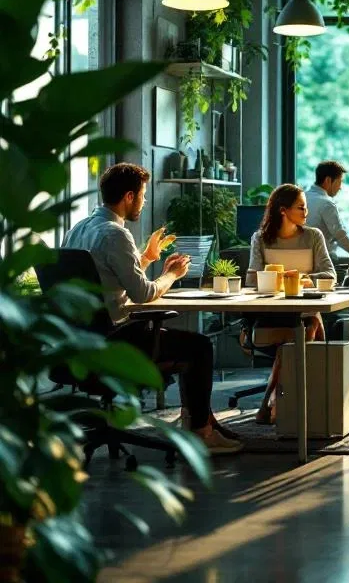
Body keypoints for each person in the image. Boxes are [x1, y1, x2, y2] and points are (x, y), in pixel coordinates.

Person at [62, 163, 242, 455]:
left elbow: (114, 281)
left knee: (189, 344)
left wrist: (146, 257)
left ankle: (203, 424)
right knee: (199, 346)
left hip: (80, 341)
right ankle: (201, 432)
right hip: (115, 340)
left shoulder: (78, 230)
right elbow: (143, 293)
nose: (144, 203)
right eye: (143, 196)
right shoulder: (115, 234)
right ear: (129, 196)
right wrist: (172, 275)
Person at [246, 184, 336, 424]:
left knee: (307, 326)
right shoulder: (261, 239)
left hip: (304, 308)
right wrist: (282, 278)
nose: (306, 212)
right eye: (301, 207)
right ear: (283, 210)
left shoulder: (313, 236)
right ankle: (281, 399)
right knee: (305, 332)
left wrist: (306, 279)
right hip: (272, 311)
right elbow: (251, 278)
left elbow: (330, 274)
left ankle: (270, 400)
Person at [305, 160, 349, 260]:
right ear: (328, 180)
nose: (340, 187)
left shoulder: (302, 198)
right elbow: (341, 237)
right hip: (323, 261)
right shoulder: (327, 204)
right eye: (340, 182)